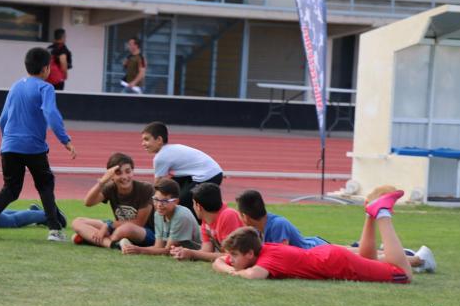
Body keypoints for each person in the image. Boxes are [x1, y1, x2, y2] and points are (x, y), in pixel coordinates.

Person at [0, 47, 76, 242]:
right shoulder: (46, 88)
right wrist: (65, 140)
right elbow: (51, 114)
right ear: (46, 69)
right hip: (33, 147)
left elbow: (3, 118)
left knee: (10, 188)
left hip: (9, 146)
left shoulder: (15, 87)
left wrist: (7, 140)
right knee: (45, 185)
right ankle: (54, 230)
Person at [213, 188, 419, 283]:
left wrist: (231, 272)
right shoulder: (261, 251)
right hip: (328, 255)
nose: (230, 260)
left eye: (234, 256)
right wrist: (228, 264)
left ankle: (382, 213)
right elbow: (219, 262)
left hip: (335, 262)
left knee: (402, 273)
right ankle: (370, 214)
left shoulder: (267, 259)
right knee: (369, 258)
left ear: (250, 255)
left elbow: (253, 275)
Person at [71, 152, 155, 249]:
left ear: (133, 171)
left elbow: (139, 223)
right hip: (117, 227)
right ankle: (114, 244)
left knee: (126, 229)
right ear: (111, 175)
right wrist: (102, 182)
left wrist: (108, 225)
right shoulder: (111, 187)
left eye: (128, 171)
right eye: (118, 173)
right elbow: (88, 202)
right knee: (77, 222)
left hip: (144, 232)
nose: (124, 177)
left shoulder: (146, 188)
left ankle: (90, 238)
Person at [141, 121, 223, 219]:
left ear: (159, 139)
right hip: (209, 172)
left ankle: (198, 224)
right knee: (173, 194)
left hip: (209, 176)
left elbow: (158, 185)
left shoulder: (161, 157)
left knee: (180, 201)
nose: (143, 144)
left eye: (146, 140)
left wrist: (148, 202)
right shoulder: (170, 149)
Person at [122, 178, 201, 256]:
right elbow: (158, 246)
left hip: (198, 250)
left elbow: (168, 250)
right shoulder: (158, 214)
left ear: (176, 201)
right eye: (156, 199)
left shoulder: (181, 215)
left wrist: (139, 250)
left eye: (165, 201)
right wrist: (135, 249)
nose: (159, 205)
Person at [170, 183, 244, 262]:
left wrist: (192, 253)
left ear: (198, 207)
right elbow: (206, 251)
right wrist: (183, 252)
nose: (193, 207)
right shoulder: (206, 219)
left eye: (193, 204)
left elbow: (230, 255)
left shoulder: (228, 215)